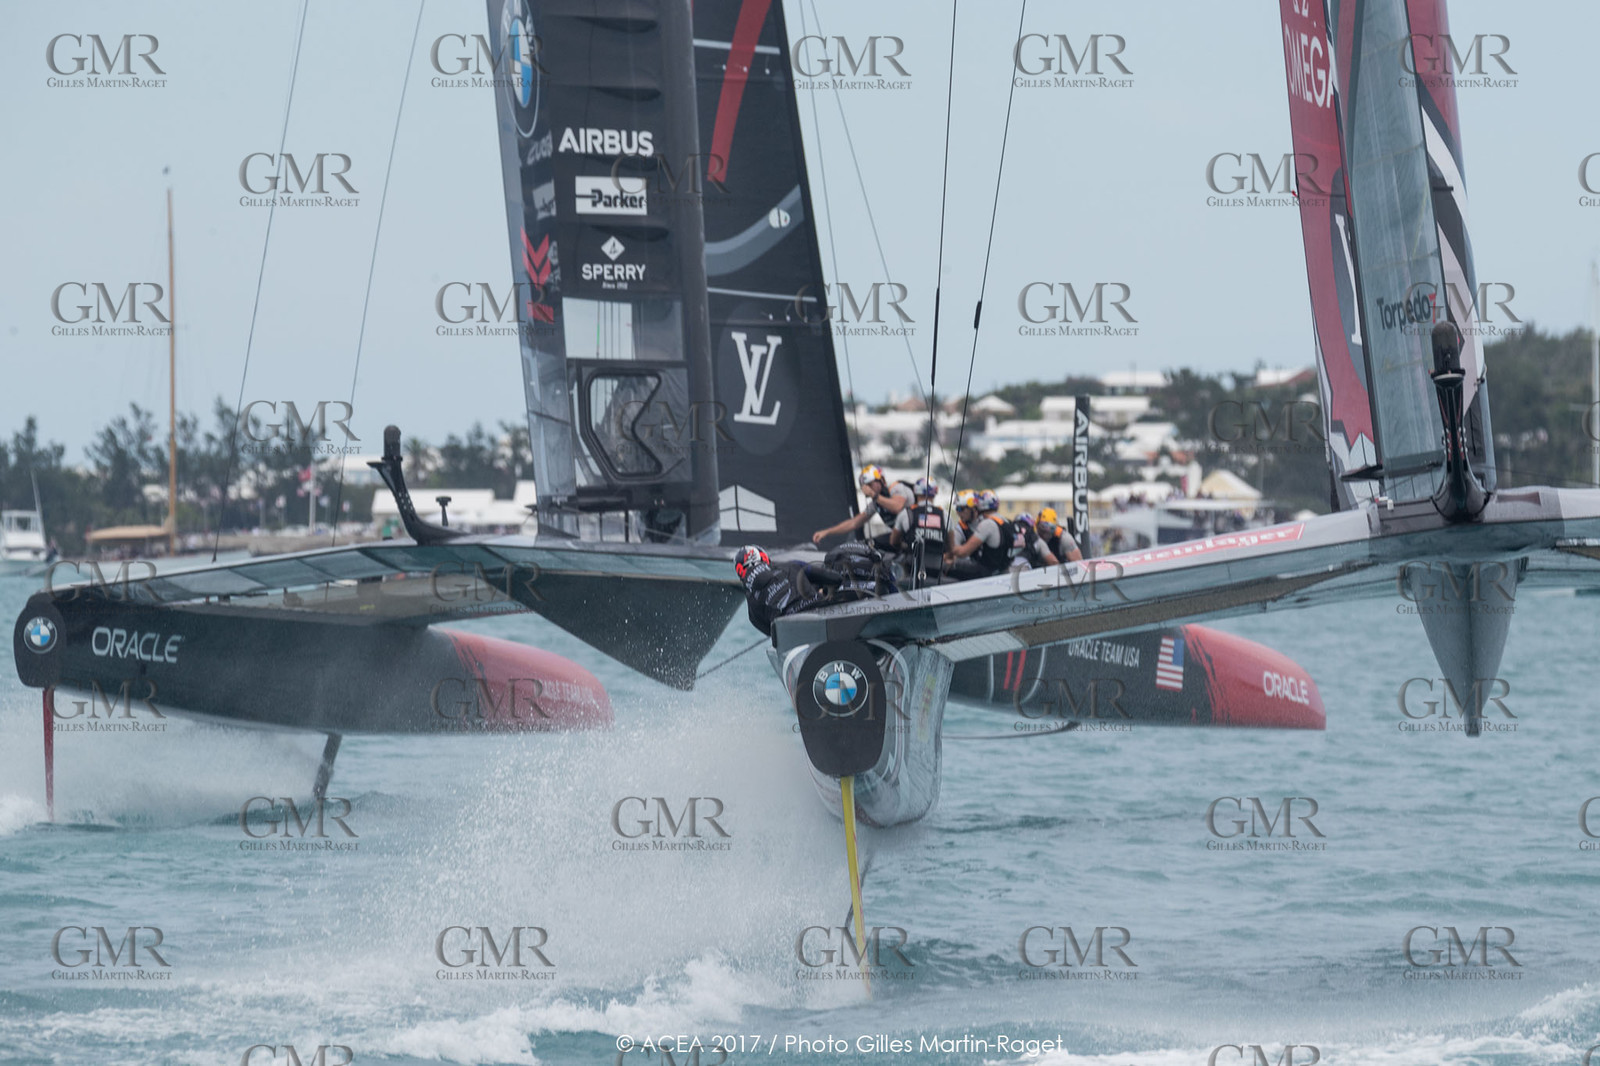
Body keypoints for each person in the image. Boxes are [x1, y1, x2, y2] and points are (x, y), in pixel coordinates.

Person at [734, 543, 896, 638]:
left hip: (792, 635)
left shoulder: (752, 609)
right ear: (764, 558)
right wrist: (819, 589)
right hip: (821, 616)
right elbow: (835, 579)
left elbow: (772, 633)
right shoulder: (791, 566)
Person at [811, 464, 916, 552]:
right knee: (867, 545)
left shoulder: (896, 488)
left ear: (881, 480)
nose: (868, 488)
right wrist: (827, 532)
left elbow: (897, 507)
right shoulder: (876, 503)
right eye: (866, 486)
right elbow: (854, 523)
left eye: (870, 484)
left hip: (916, 535)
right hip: (900, 539)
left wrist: (873, 495)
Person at [943, 490, 1018, 580]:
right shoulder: (1006, 522)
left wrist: (945, 556)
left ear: (975, 508)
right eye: (957, 509)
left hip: (986, 572)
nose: (958, 513)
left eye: (961, 509)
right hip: (1003, 569)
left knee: (945, 568)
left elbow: (963, 552)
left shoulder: (986, 524)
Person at [889, 476, 948, 581]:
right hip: (937, 570)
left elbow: (893, 541)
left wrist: (905, 545)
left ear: (916, 492)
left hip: (911, 570)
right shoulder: (944, 515)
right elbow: (951, 547)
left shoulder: (906, 513)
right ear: (935, 493)